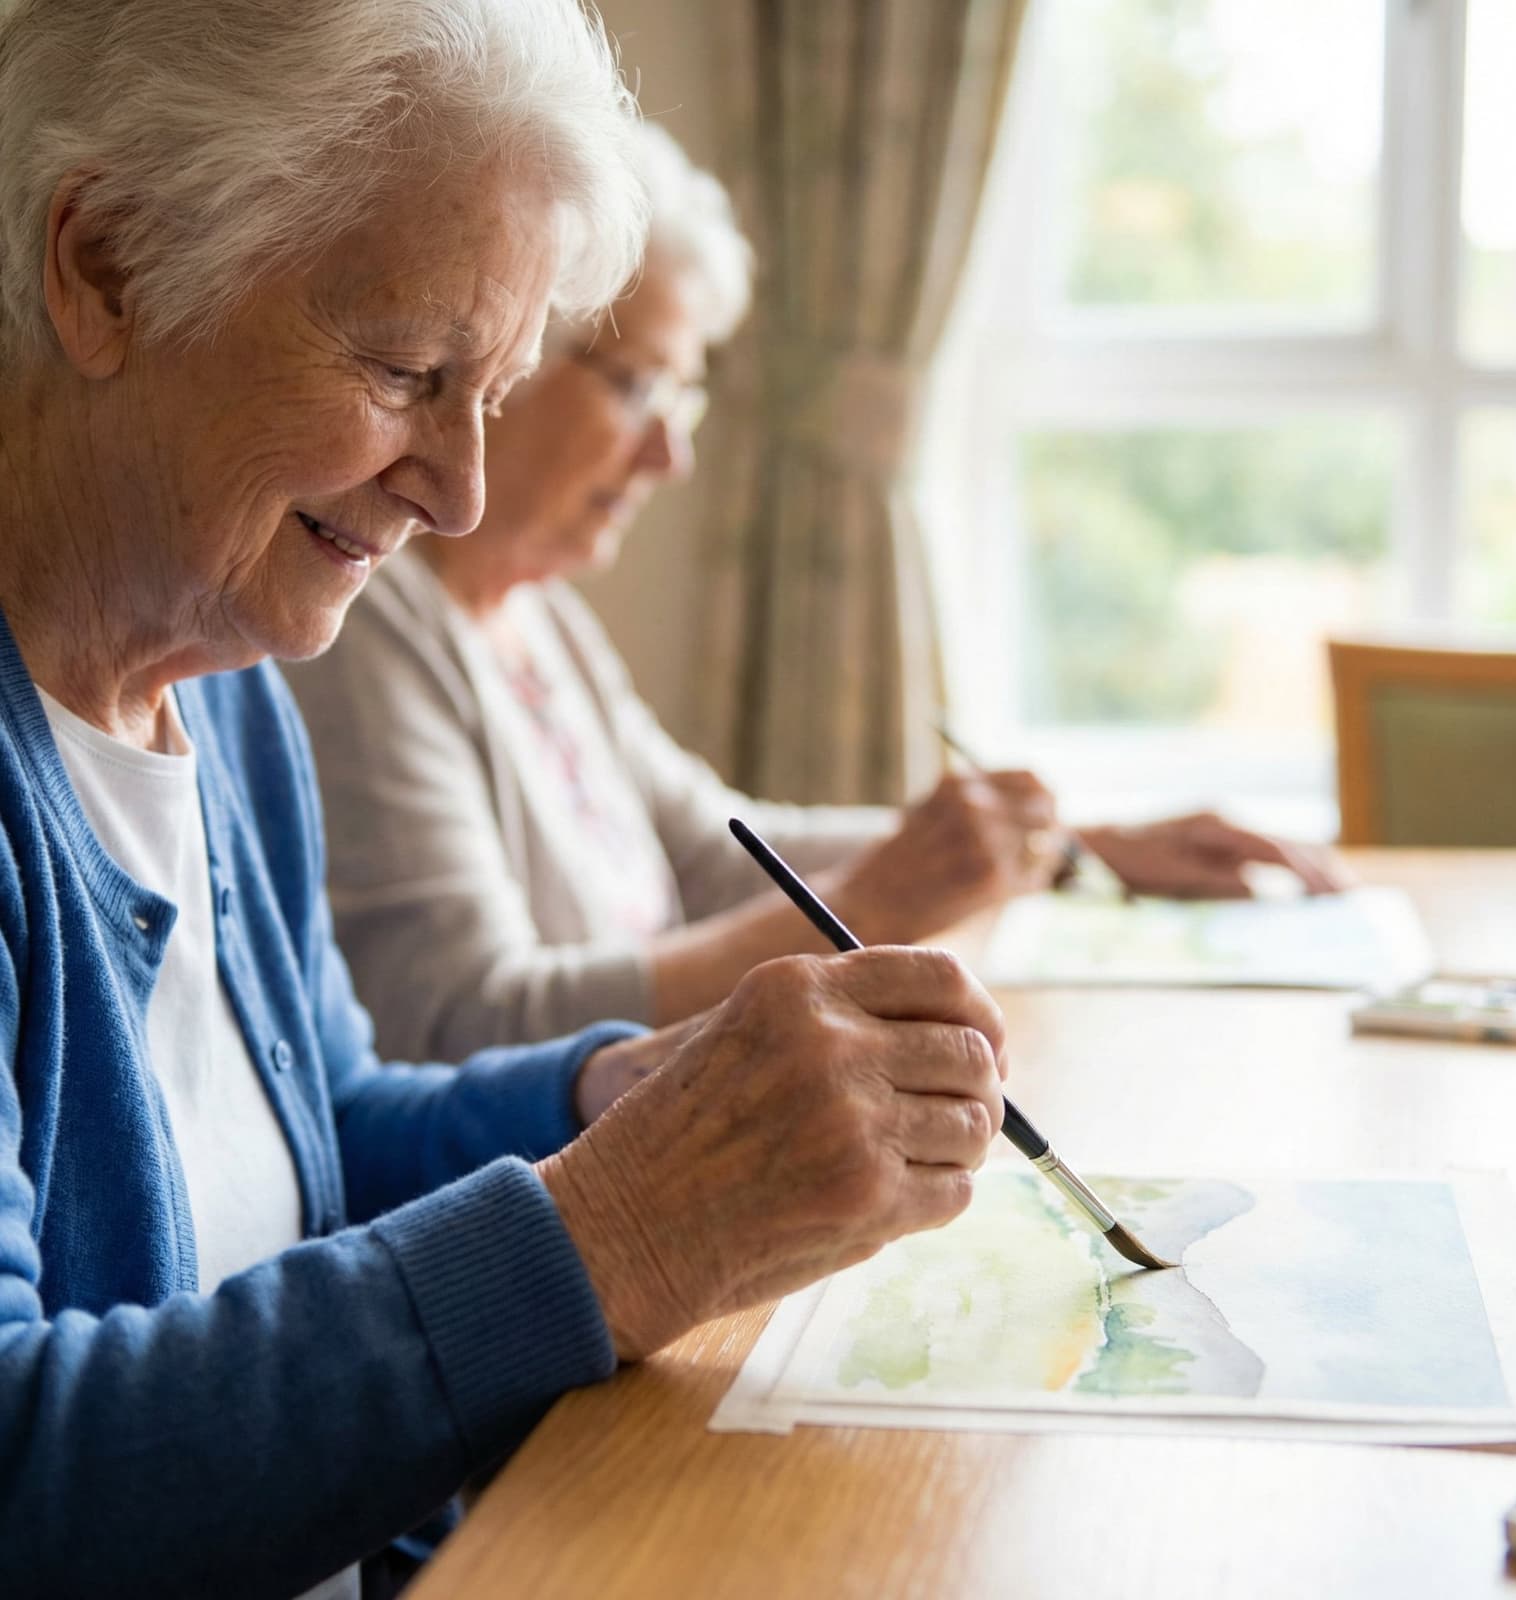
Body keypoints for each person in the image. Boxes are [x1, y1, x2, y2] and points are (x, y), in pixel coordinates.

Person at [0, 5, 1011, 1596]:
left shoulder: (223, 685)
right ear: (105, 265)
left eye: (502, 386)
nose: (461, 488)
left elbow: (325, 1129)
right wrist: (624, 1230)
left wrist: (624, 1101)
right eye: (410, 371)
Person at [286, 125, 1343, 1062]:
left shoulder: (533, 617)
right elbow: (463, 1024)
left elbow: (718, 851)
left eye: (684, 395)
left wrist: (1069, 851)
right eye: (635, 383)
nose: (670, 454)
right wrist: (878, 903)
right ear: (504, 362)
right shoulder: (370, 627)